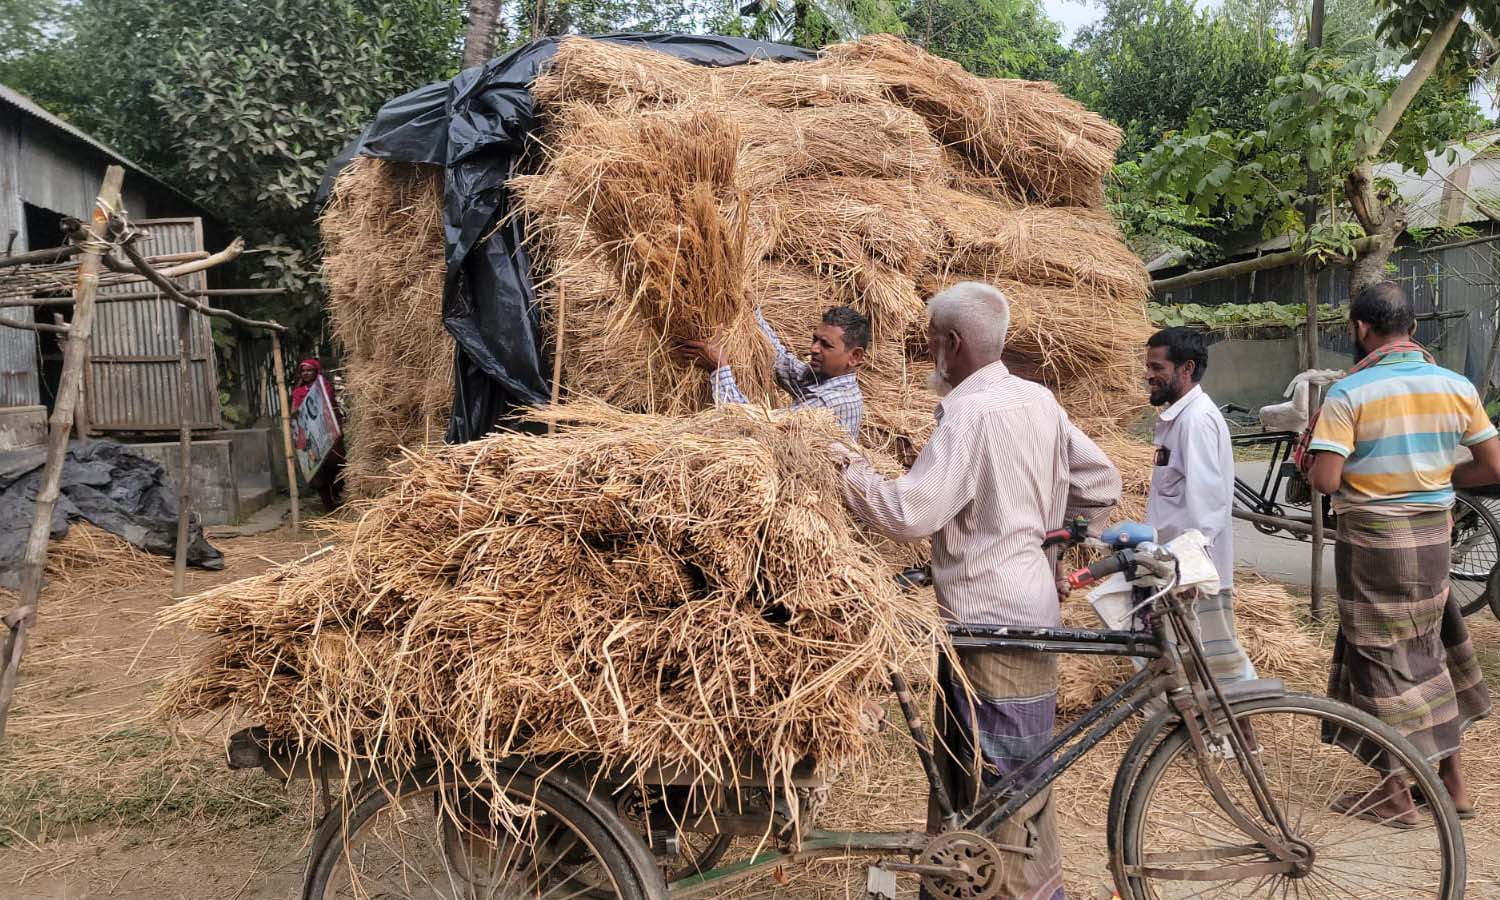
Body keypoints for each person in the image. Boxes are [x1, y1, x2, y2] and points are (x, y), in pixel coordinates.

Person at [833, 281, 1120, 900]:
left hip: (989, 618)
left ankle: (1009, 889)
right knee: (1016, 767)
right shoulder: (1038, 399)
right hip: (1031, 607)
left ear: (952, 343)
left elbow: (914, 511)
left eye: (931, 342)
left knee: (1001, 778)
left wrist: (847, 470)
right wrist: (1057, 542)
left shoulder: (969, 410)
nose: (928, 353)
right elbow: (1101, 480)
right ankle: (972, 883)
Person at [1306, 281, 1498, 825]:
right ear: (1411, 326)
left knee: (1378, 661)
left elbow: (1325, 479)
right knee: (1429, 649)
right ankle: (1453, 785)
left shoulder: (1350, 392)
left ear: (1360, 329)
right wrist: (1439, 475)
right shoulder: (1456, 385)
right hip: (1434, 541)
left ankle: (1394, 794)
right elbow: (1492, 467)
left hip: (1373, 544)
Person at [1144, 327, 1256, 686]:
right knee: (1196, 663)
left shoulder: (1196, 422)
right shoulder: (1179, 419)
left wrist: (1191, 569)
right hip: (1178, 566)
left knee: (1221, 669)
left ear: (1186, 368)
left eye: (1158, 367)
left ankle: (1244, 734)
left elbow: (1207, 507)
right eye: (1148, 366)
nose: (1149, 375)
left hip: (1193, 572)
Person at [678, 307, 869, 442]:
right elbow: (781, 361)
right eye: (814, 339)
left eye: (825, 344)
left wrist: (719, 369)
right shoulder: (826, 378)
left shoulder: (828, 403)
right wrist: (753, 312)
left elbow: (759, 428)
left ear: (854, 356)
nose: (813, 348)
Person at [291, 358, 346, 511]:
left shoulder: (324, 387)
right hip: (311, 439)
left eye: (309, 370)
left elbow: (325, 404)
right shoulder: (298, 392)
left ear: (316, 371)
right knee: (318, 470)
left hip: (328, 434)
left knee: (336, 465)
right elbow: (294, 411)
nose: (306, 373)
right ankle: (328, 505)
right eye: (303, 371)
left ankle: (337, 493)